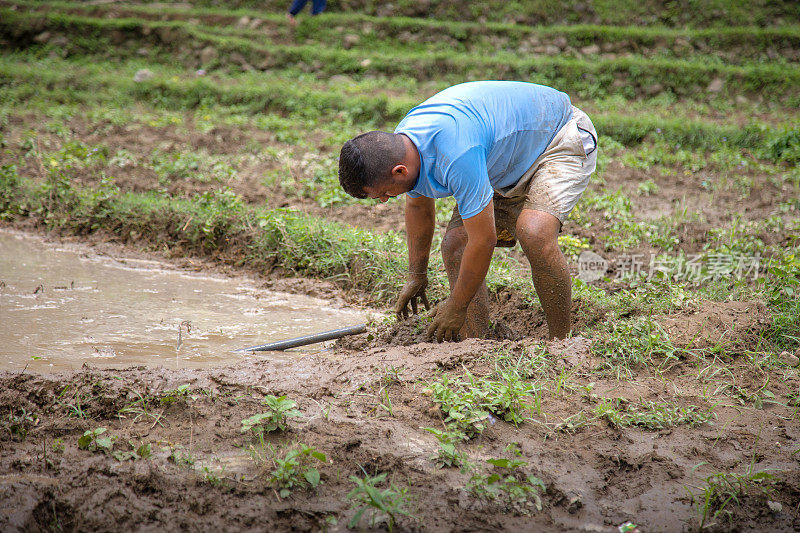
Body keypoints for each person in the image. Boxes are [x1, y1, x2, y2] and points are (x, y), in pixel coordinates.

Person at [338, 81, 597, 342]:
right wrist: (417, 275)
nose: (383, 200)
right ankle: (475, 342)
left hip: (557, 136)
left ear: (399, 171)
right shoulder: (403, 146)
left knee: (534, 232)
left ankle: (562, 343)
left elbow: (484, 239)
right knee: (455, 244)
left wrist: (457, 304)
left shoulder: (456, 152)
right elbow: (418, 204)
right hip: (504, 157)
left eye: (382, 193)